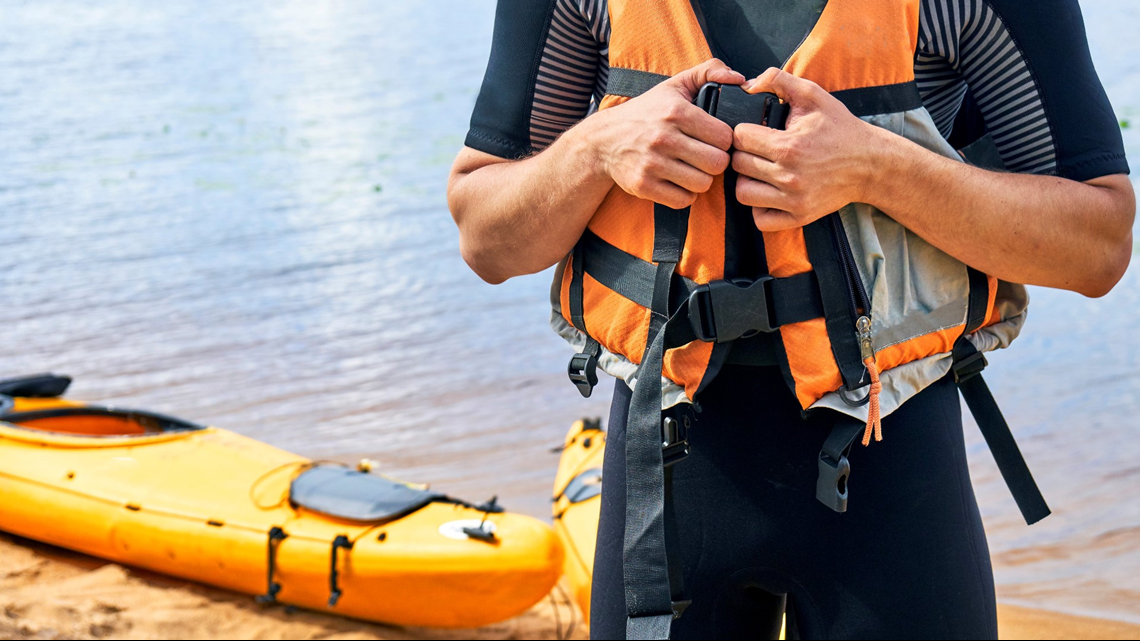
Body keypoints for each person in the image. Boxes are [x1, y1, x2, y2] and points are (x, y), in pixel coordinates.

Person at [448, 0, 1134, 638]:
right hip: (666, 478)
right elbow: (487, 237)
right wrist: (595, 147)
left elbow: (1097, 245)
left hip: (894, 482)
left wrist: (875, 166)